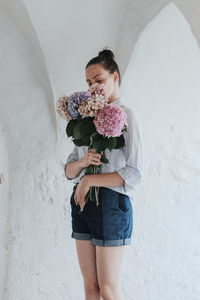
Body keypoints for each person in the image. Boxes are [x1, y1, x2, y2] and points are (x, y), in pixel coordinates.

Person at [65, 48, 143, 300]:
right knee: (91, 288)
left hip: (111, 204)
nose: (93, 87)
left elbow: (134, 173)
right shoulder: (86, 120)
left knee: (108, 290)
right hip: (82, 204)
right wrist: (84, 164)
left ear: (115, 78)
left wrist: (89, 179)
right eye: (89, 82)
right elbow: (68, 169)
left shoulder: (127, 116)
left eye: (99, 80)